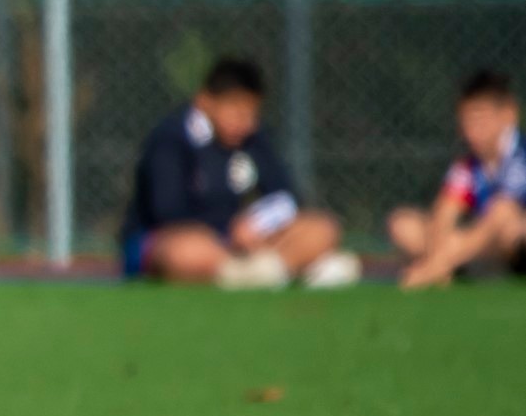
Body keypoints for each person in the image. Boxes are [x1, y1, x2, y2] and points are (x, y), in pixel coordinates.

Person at [119, 57, 359, 289]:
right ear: (205, 102)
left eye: (252, 113)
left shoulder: (253, 139)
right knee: (185, 252)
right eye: (236, 111)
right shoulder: (170, 140)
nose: (246, 123)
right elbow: (168, 212)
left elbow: (286, 197)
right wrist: (229, 230)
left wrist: (256, 223)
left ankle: (257, 273)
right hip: (177, 240)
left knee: (324, 227)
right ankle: (293, 270)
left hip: (243, 245)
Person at [389, 69, 526, 288]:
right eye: (466, 122)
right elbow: (445, 212)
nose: (472, 132)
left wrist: (435, 265)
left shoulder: (521, 157)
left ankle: (449, 265)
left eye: (480, 120)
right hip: (479, 247)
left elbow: (502, 213)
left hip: (512, 245)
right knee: (404, 224)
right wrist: (440, 252)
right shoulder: (469, 166)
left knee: (508, 221)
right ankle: (460, 266)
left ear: (508, 113)